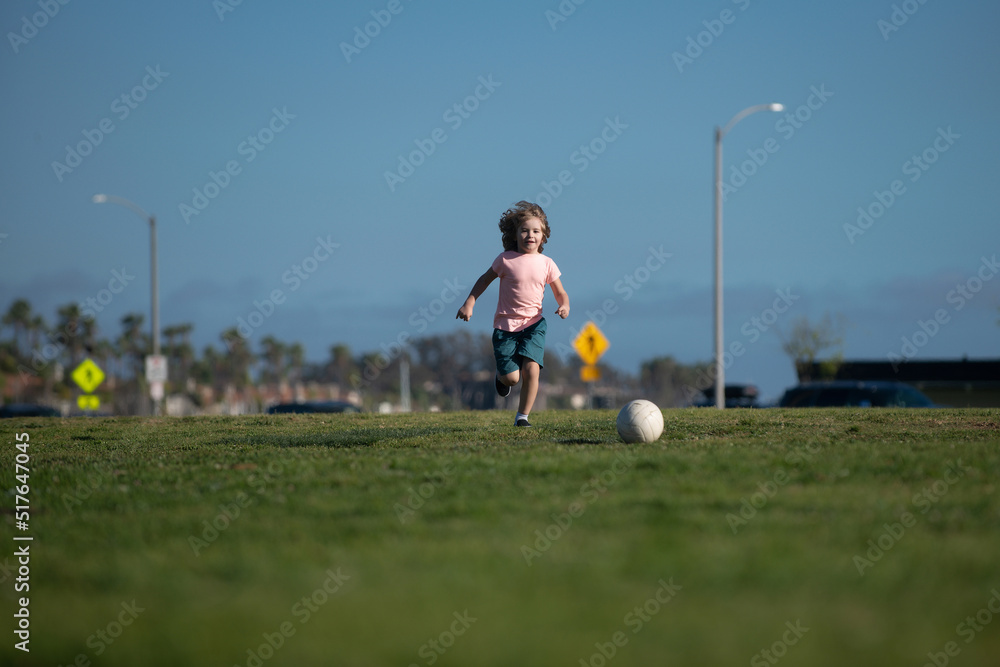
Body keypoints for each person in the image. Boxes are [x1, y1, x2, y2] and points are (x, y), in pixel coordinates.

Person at [456, 201, 570, 427]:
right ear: (515, 233)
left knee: (531, 369)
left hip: (534, 325)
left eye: (536, 231)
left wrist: (564, 305)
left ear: (544, 235)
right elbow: (484, 280)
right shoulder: (505, 259)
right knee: (512, 378)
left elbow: (561, 292)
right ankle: (501, 378)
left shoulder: (547, 263)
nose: (530, 235)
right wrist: (470, 302)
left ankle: (522, 417)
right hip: (505, 328)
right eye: (525, 230)